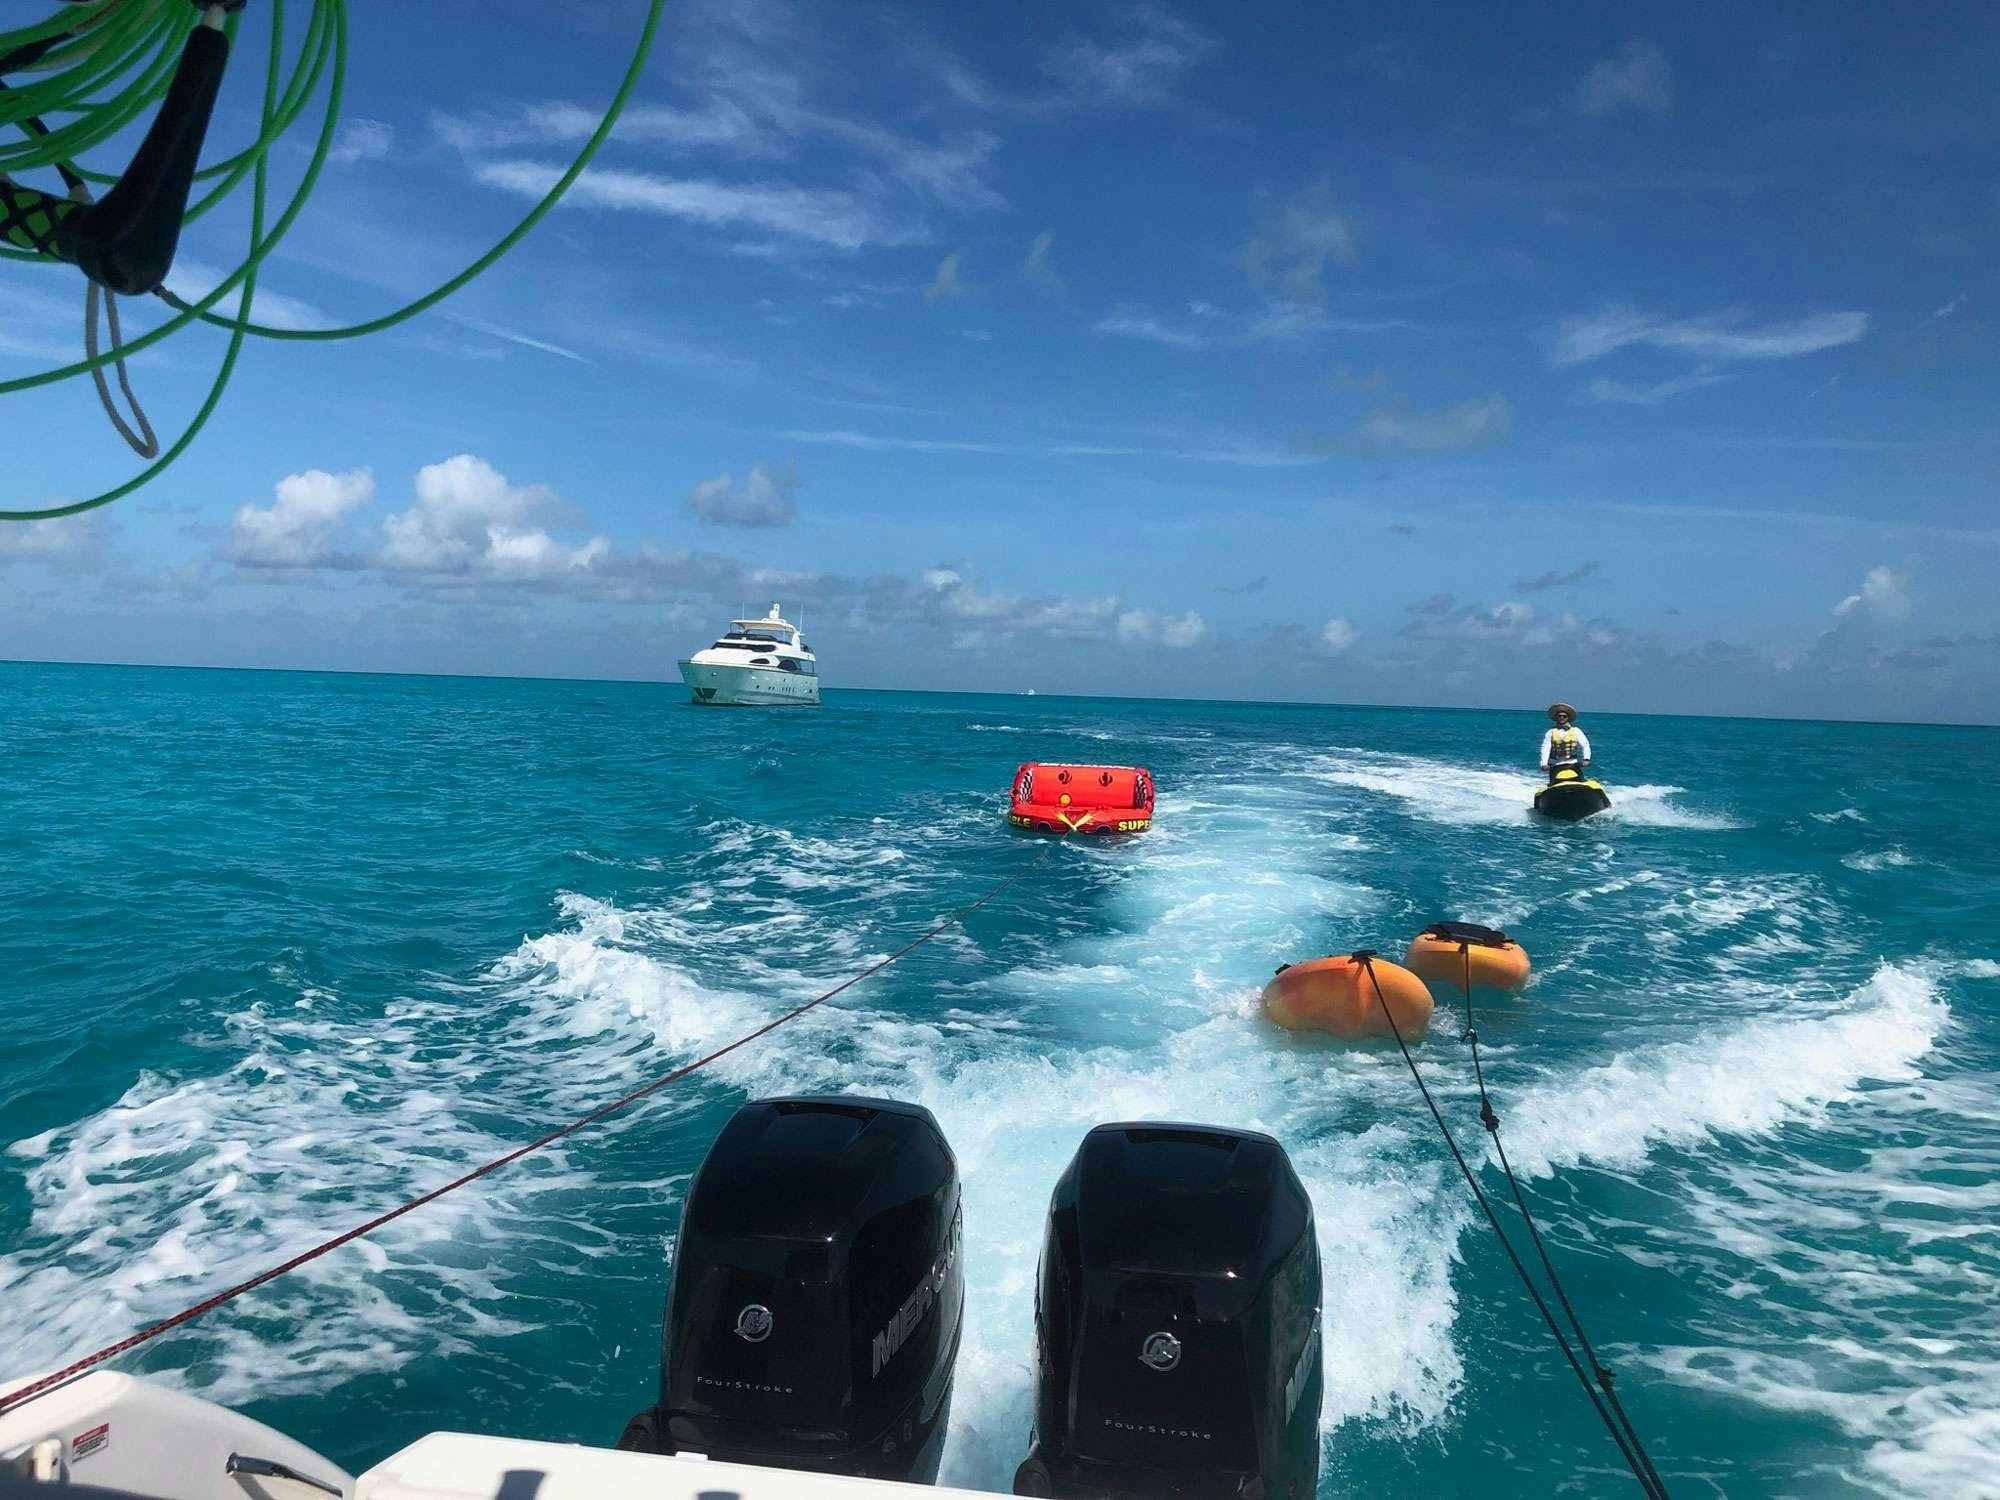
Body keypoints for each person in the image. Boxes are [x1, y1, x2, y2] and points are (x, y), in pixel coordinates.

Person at [1539, 702, 1591, 783]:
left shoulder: (1576, 731)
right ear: (1556, 718)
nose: (1562, 718)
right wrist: (1544, 764)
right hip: (1555, 764)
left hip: (1572, 763)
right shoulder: (1550, 732)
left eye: (1564, 716)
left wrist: (1586, 759)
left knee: (1582, 782)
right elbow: (1545, 748)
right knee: (1552, 784)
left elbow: (1585, 745)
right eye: (1559, 716)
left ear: (1568, 718)